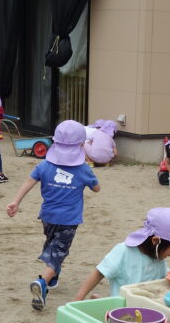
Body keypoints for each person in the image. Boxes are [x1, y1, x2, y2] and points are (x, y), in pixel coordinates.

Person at [6, 119, 100, 311]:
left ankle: (53, 279)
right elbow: (97, 188)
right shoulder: (83, 169)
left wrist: (16, 201)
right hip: (69, 220)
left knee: (52, 246)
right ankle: (42, 282)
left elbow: (28, 181)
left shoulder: (44, 166)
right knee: (58, 252)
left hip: (47, 217)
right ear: (80, 145)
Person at [73, 207, 170, 300]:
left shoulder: (157, 257)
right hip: (122, 308)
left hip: (147, 305)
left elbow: (166, 276)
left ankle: (99, 300)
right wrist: (78, 298)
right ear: (155, 241)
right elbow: (99, 273)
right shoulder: (124, 251)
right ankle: (101, 301)